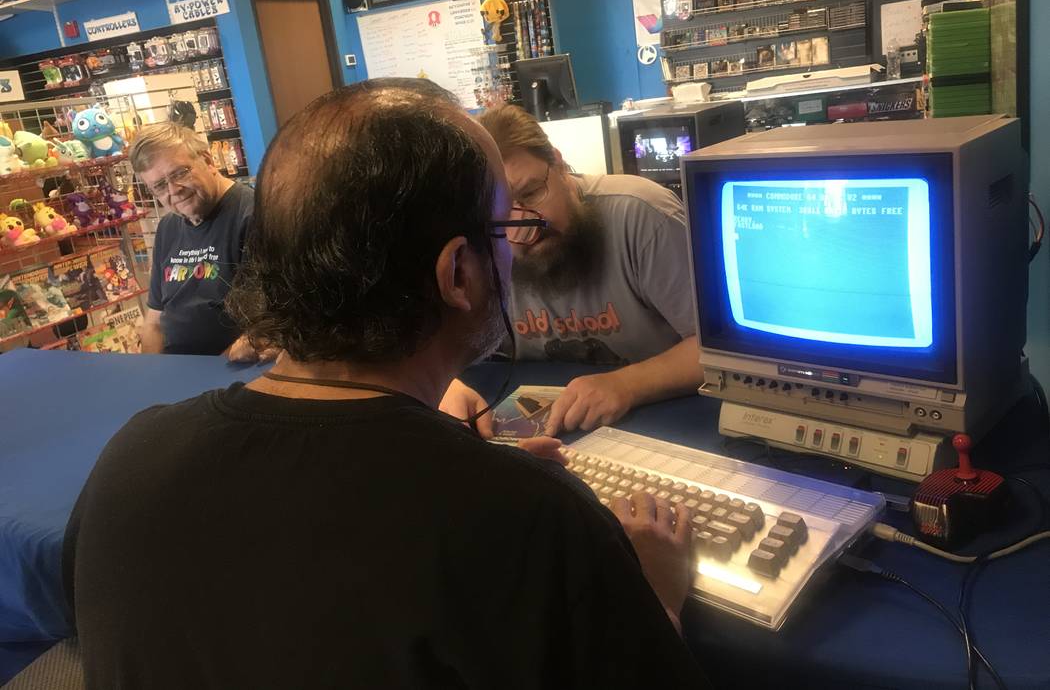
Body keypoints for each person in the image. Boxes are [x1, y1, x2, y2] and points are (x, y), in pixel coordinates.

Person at [63, 79, 708, 688]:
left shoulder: (128, 457)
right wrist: (653, 592)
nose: (519, 243)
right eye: (501, 230)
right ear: (458, 273)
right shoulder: (537, 520)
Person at [441, 104, 702, 436]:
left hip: (660, 420)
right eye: (503, 212)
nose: (525, 230)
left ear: (559, 163)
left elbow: (721, 352)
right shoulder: (482, 242)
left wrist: (627, 384)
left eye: (531, 193)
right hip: (544, 431)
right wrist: (446, 386)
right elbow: (442, 347)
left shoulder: (643, 216)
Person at [130, 122, 265, 360]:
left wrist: (207, 375)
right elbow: (154, 323)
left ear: (208, 161)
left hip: (231, 369)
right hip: (177, 369)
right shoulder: (168, 227)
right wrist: (152, 373)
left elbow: (263, 329)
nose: (173, 190)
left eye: (179, 173)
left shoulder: (254, 215)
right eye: (159, 186)